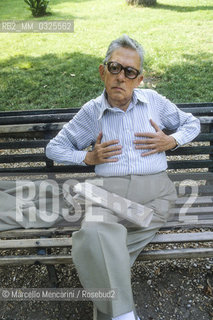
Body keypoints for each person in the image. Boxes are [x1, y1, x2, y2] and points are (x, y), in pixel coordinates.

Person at [46, 35, 200, 320]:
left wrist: (172, 141)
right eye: (115, 68)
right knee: (94, 234)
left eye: (130, 72)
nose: (121, 77)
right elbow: (54, 147)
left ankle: (113, 306)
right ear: (103, 71)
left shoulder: (153, 102)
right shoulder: (93, 112)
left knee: (97, 251)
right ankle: (124, 315)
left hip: (154, 196)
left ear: (139, 79)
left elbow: (192, 122)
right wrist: (87, 157)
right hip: (107, 196)